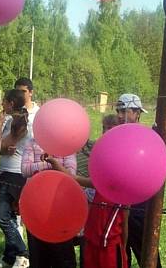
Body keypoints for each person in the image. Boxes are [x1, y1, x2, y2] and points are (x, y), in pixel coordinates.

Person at [50, 114, 127, 268]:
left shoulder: (123, 175)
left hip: (110, 245)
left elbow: (125, 224)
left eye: (110, 129)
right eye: (104, 129)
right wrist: (54, 163)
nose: (106, 132)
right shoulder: (101, 166)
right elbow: (76, 178)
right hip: (92, 240)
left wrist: (123, 249)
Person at [115, 93, 163, 268]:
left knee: (145, 249)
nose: (120, 115)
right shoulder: (114, 135)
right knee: (120, 252)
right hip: (117, 203)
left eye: (125, 111)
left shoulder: (146, 136)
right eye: (118, 110)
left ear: (137, 113)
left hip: (140, 204)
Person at [21, 137, 77, 268]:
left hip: (60, 206)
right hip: (36, 206)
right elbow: (25, 169)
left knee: (62, 254)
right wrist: (52, 164)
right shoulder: (33, 142)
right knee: (38, 254)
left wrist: (49, 163)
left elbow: (71, 174)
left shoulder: (67, 146)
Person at [0, 89, 30, 268]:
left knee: (3, 217)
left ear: (11, 103)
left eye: (4, 101)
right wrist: (2, 148)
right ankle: (9, 255)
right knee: (10, 218)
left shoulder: (17, 122)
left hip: (13, 175)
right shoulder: (12, 120)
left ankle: (22, 253)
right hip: (5, 171)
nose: (1, 104)